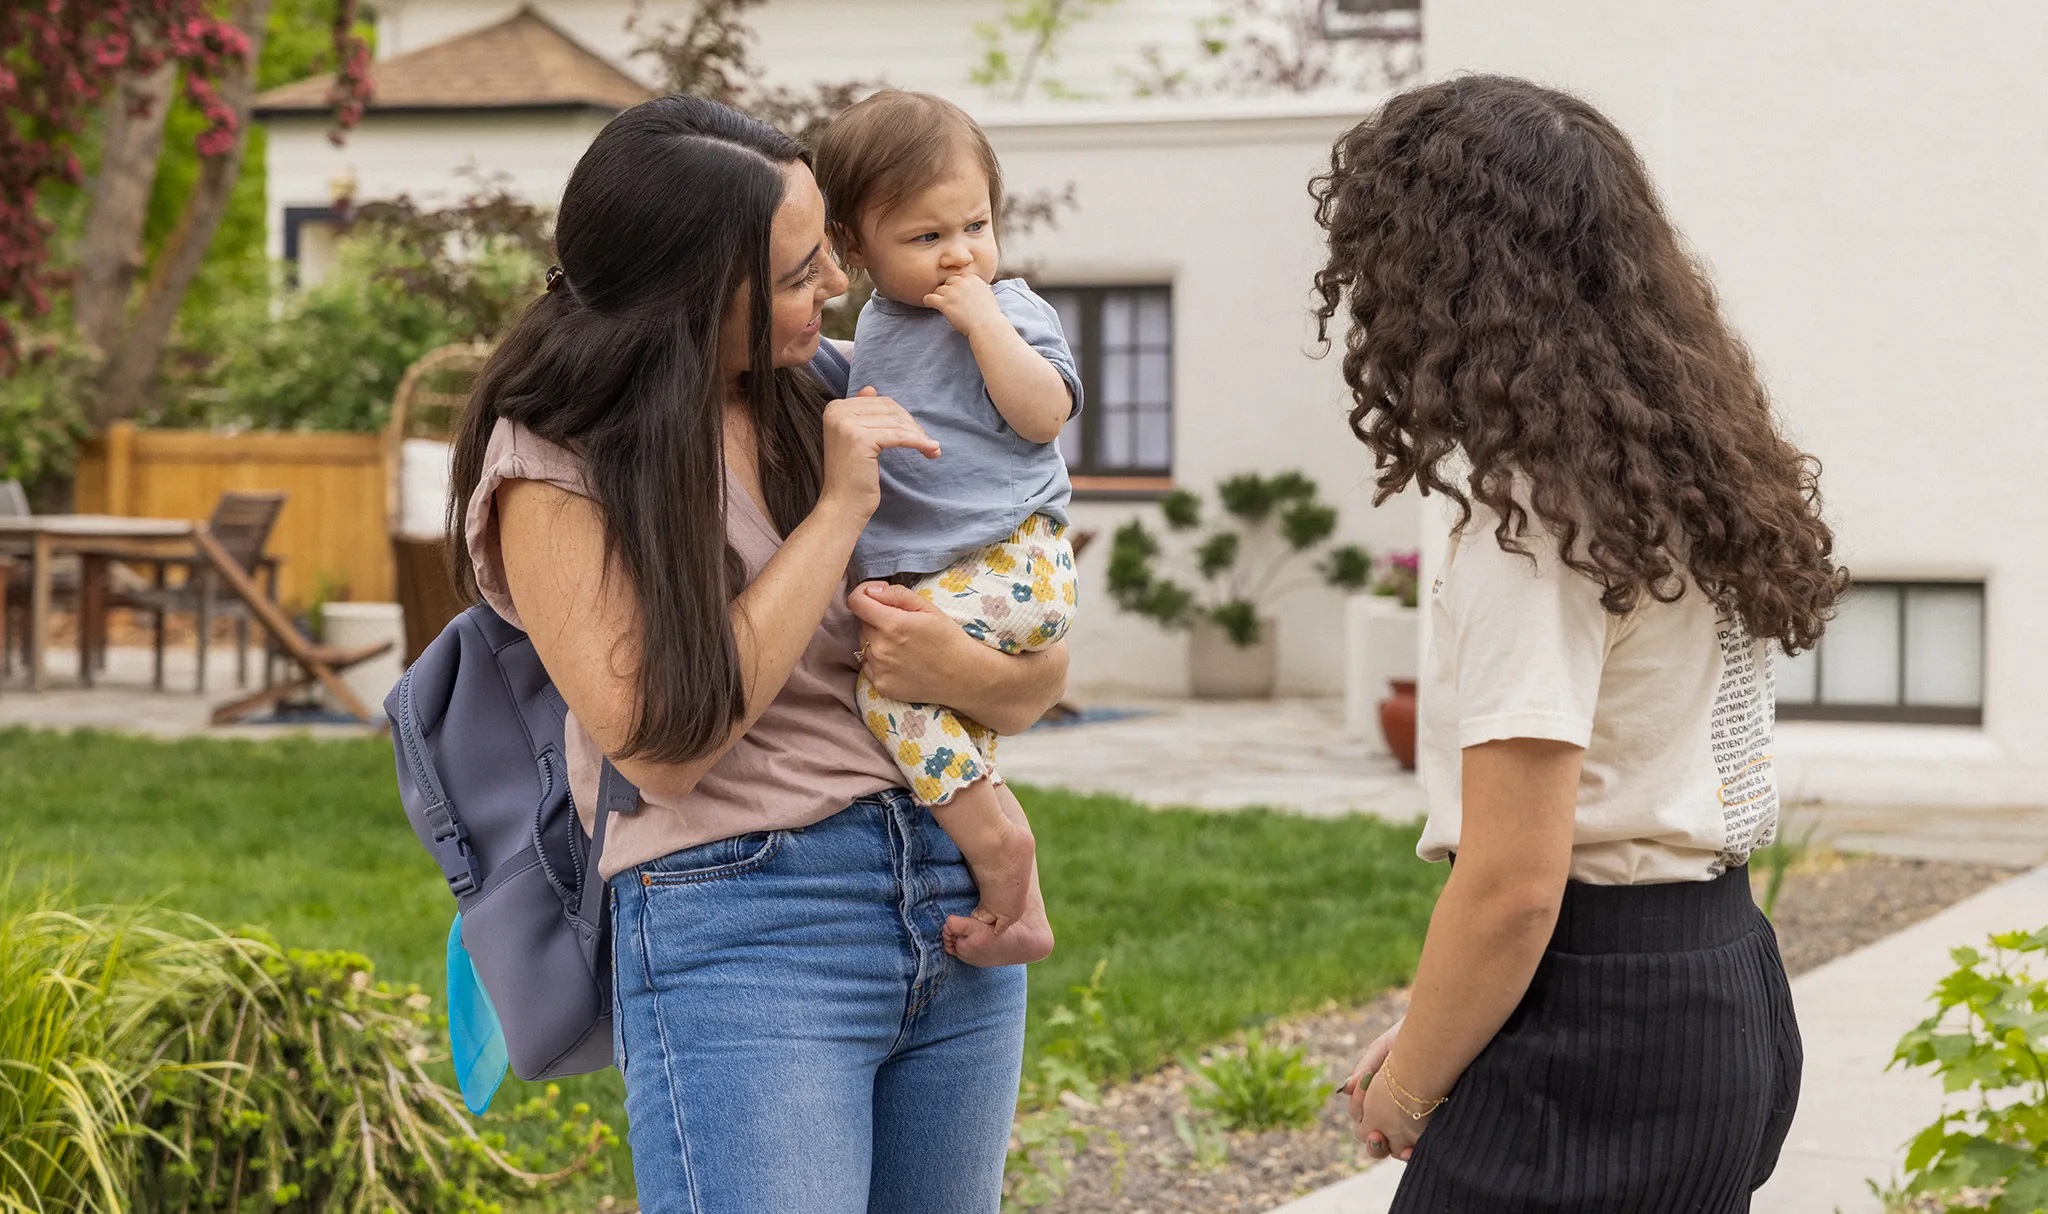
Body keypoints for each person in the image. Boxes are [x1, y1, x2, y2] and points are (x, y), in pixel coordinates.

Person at [448, 95, 1068, 1213]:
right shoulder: (554, 465)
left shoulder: (830, 383)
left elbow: (1037, 682)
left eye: (825, 248)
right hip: (743, 927)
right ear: (689, 295)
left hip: (943, 891)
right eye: (794, 272)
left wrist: (965, 701)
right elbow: (662, 746)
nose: (835, 283)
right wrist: (835, 513)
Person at [1311, 75, 1839, 1211]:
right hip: (1716, 981)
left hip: (1597, 1034)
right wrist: (1436, 1020)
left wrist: (1406, 1089)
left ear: (1431, 277)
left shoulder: (1531, 522)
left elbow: (1512, 883)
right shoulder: (1681, 471)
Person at [815, 89, 1077, 968]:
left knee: (889, 690)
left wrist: (986, 324)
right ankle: (1023, 905)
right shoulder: (876, 328)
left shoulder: (1010, 310)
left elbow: (1045, 415)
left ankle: (1003, 856)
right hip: (954, 570)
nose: (960, 253)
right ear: (854, 249)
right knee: (936, 717)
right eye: (926, 239)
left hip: (1014, 558)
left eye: (975, 224)